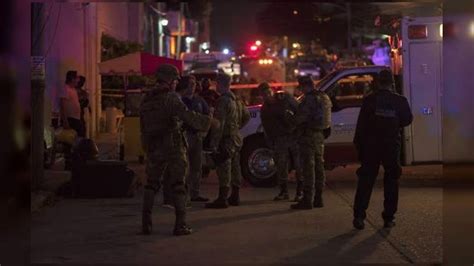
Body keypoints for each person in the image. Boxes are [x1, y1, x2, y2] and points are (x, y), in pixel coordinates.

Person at [140, 64, 212, 236]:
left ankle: (146, 224)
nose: (176, 83)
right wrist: (208, 122)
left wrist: (147, 147)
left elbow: (142, 127)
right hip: (173, 145)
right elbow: (187, 116)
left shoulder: (147, 99)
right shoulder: (171, 98)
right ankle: (180, 225)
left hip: (154, 146)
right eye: (175, 80)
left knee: (151, 184)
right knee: (179, 185)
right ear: (170, 80)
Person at [352, 69, 412, 230]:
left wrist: (359, 146)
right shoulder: (399, 100)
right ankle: (388, 218)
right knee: (391, 182)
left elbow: (361, 125)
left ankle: (359, 216)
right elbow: (407, 120)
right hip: (390, 146)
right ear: (392, 82)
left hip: (370, 147)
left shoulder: (370, 100)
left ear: (378, 82)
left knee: (366, 181)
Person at [205, 73, 250, 209]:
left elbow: (219, 124)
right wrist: (236, 128)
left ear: (220, 84)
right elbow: (246, 116)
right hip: (236, 138)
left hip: (225, 139)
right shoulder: (236, 99)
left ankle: (222, 198)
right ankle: (235, 196)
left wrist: (214, 144)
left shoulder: (223, 100)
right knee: (236, 167)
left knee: (224, 168)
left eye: (216, 83)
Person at [290, 75, 332, 210]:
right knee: (319, 166)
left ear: (304, 86)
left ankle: (307, 200)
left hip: (308, 136)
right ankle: (319, 198)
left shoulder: (309, 100)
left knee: (308, 168)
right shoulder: (324, 97)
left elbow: (299, 119)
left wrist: (290, 115)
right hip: (320, 135)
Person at [258, 82, 303, 201]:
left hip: (294, 136)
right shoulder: (265, 109)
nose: (267, 95)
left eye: (268, 92)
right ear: (261, 96)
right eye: (264, 94)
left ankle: (300, 191)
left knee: (299, 165)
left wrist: (297, 126)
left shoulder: (284, 98)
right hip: (279, 140)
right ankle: (284, 192)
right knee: (281, 166)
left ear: (272, 90)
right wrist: (270, 143)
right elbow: (267, 128)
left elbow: (299, 110)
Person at [177, 75, 211, 202]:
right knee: (182, 166)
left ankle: (195, 194)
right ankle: (181, 193)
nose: (193, 86)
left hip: (197, 136)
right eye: (190, 84)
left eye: (194, 84)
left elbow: (208, 116)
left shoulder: (199, 100)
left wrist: (204, 132)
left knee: (197, 167)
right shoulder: (178, 100)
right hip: (183, 136)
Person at [60, 70, 85, 137]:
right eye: (77, 78)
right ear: (72, 79)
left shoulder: (73, 89)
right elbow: (62, 106)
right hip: (70, 119)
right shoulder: (65, 89)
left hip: (76, 118)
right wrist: (65, 121)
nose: (78, 80)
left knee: (80, 136)